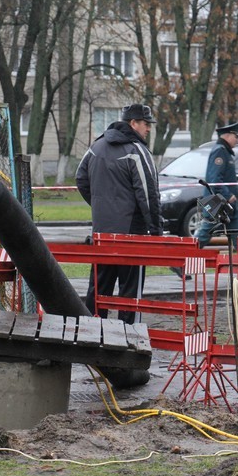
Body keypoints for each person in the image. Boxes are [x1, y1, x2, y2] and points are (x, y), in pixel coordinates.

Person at [76, 103, 162, 325]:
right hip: (132, 235)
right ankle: (129, 337)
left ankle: (91, 333)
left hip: (102, 233)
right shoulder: (137, 151)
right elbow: (149, 194)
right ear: (133, 123)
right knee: (131, 292)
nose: (148, 129)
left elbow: (81, 179)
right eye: (145, 124)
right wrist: (156, 230)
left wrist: (100, 206)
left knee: (98, 288)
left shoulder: (96, 147)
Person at [194, 121, 238, 249]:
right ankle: (181, 259)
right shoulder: (220, 152)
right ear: (227, 136)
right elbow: (214, 179)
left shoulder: (225, 152)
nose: (237, 140)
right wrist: (228, 195)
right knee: (204, 234)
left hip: (224, 202)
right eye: (236, 137)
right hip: (217, 201)